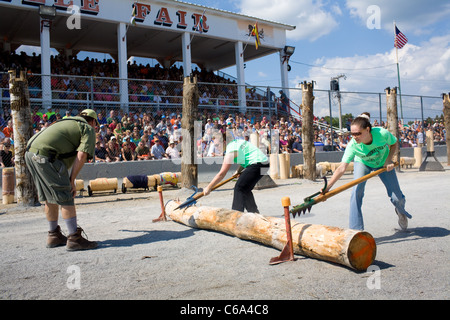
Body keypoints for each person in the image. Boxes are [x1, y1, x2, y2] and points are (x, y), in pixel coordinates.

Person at [24, 109, 99, 251]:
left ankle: (53, 235)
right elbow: (82, 155)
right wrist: (71, 181)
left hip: (30, 153)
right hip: (47, 156)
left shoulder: (66, 122)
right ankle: (74, 238)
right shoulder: (87, 128)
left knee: (50, 196)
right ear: (93, 121)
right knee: (65, 195)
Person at [324, 112, 412, 231]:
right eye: (352, 134)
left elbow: (393, 143)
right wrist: (327, 187)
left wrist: (388, 160)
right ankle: (356, 231)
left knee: (397, 197)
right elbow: (341, 168)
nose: (354, 137)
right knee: (356, 192)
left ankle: (400, 210)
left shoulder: (381, 133)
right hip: (363, 163)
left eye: (358, 133)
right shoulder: (352, 145)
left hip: (383, 163)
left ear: (367, 130)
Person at [203, 139, 269, 213]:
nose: (216, 147)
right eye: (214, 145)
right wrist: (238, 171)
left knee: (239, 188)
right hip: (264, 164)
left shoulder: (230, 151)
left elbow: (221, 174)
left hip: (257, 164)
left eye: (217, 145)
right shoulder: (235, 143)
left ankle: (236, 215)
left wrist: (209, 187)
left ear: (224, 142)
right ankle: (254, 213)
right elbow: (247, 156)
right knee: (245, 189)